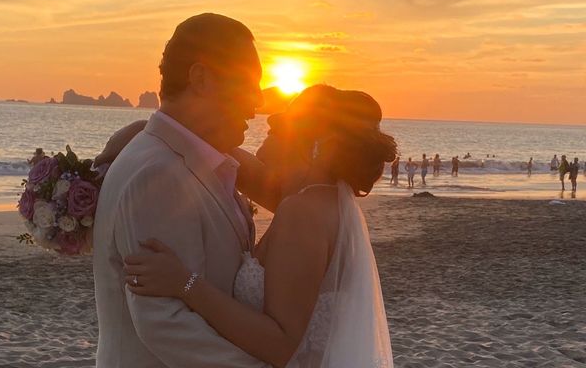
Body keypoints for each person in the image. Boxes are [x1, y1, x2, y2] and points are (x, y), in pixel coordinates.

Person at [123, 86, 397, 367]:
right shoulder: (318, 199)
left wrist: (185, 283)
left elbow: (282, 345)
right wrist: (146, 132)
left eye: (277, 130)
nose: (266, 132)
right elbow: (206, 148)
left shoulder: (303, 212)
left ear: (312, 144)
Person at [92, 13, 269, 368]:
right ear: (201, 78)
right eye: (248, 83)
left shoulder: (188, 159)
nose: (258, 101)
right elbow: (165, 325)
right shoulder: (157, 174)